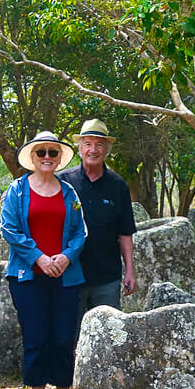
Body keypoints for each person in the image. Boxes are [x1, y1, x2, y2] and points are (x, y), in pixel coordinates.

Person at [0, 130, 88, 389]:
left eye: (53, 153)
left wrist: (65, 257)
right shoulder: (17, 191)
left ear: (60, 157)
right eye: (42, 153)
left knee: (63, 339)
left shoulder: (69, 194)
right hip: (28, 278)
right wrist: (39, 257)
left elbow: (80, 232)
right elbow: (9, 229)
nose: (47, 157)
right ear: (33, 158)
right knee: (36, 338)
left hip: (66, 278)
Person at [60, 119, 136, 333]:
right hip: (70, 275)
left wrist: (130, 270)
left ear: (107, 149)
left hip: (107, 276)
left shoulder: (118, 186)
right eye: (88, 144)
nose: (93, 150)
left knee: (108, 336)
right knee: (67, 335)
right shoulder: (63, 182)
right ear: (80, 148)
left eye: (99, 144)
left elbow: (125, 232)